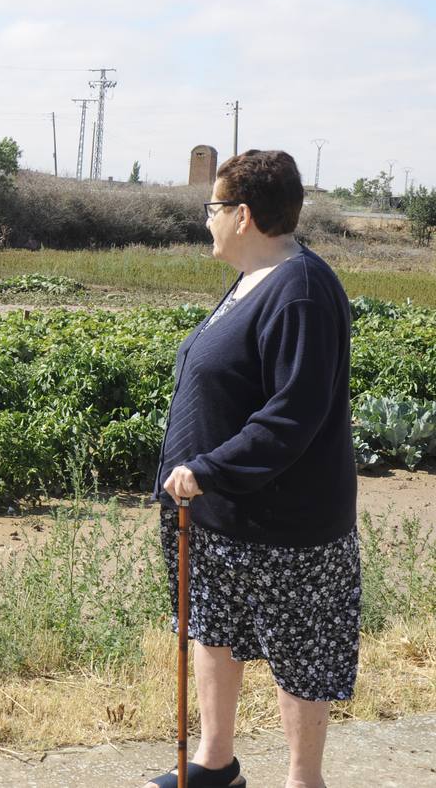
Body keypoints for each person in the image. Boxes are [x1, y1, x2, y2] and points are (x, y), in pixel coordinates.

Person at [142, 150, 360, 788]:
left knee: (300, 657)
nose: (206, 221)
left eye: (213, 209)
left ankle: (303, 779)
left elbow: (293, 416)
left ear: (242, 215)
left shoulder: (302, 294)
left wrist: (207, 467)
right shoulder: (255, 278)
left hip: (286, 526)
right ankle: (215, 764)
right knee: (212, 627)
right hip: (219, 515)